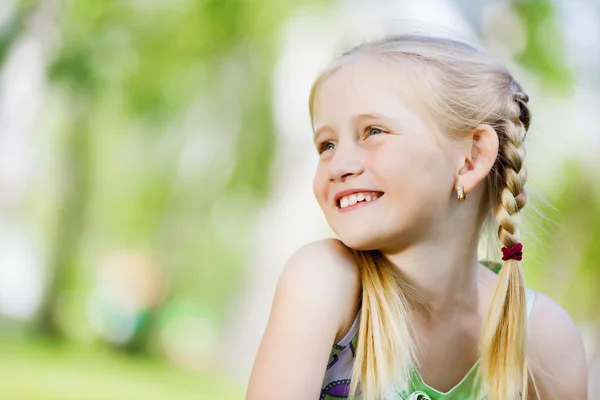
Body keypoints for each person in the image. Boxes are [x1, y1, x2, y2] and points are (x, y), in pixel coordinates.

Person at [245, 33, 588, 400]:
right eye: (327, 145)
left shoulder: (541, 337)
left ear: (471, 158)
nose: (338, 166)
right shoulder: (324, 281)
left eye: (373, 131)